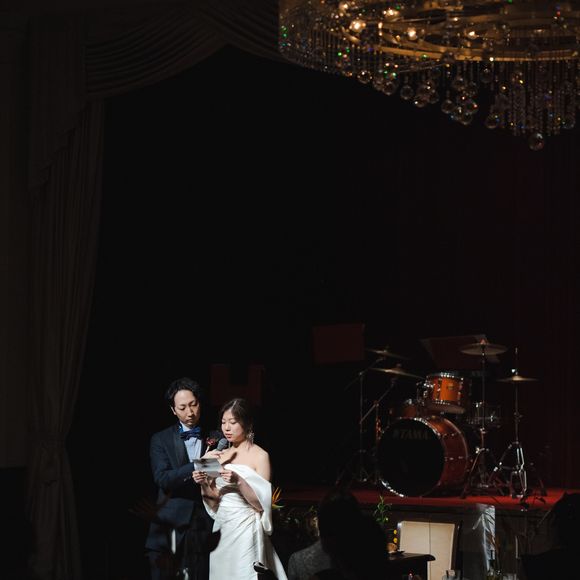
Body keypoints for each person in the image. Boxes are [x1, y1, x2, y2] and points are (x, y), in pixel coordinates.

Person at [193, 397, 288, 580]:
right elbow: (213, 504)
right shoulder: (219, 456)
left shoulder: (260, 456)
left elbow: (261, 505)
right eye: (223, 422)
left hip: (246, 527)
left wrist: (239, 481)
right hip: (221, 528)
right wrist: (203, 483)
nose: (226, 428)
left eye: (233, 422)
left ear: (247, 424)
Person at [145, 377, 223, 580]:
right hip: (169, 525)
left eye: (193, 404)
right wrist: (196, 465)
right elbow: (162, 479)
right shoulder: (160, 439)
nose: (190, 412)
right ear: (173, 410)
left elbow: (219, 478)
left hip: (203, 526)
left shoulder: (216, 437)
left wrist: (208, 475)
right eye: (182, 407)